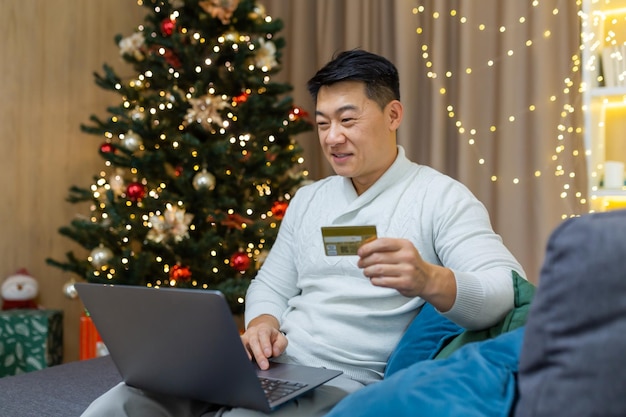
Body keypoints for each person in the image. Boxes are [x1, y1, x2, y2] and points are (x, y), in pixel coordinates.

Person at [81, 49, 525, 417]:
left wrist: (431, 280)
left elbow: (504, 291)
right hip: (273, 365)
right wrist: (261, 324)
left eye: (348, 120)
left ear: (393, 115)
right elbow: (271, 284)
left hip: (344, 382)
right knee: (120, 403)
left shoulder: (441, 197)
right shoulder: (310, 199)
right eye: (323, 122)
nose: (332, 138)